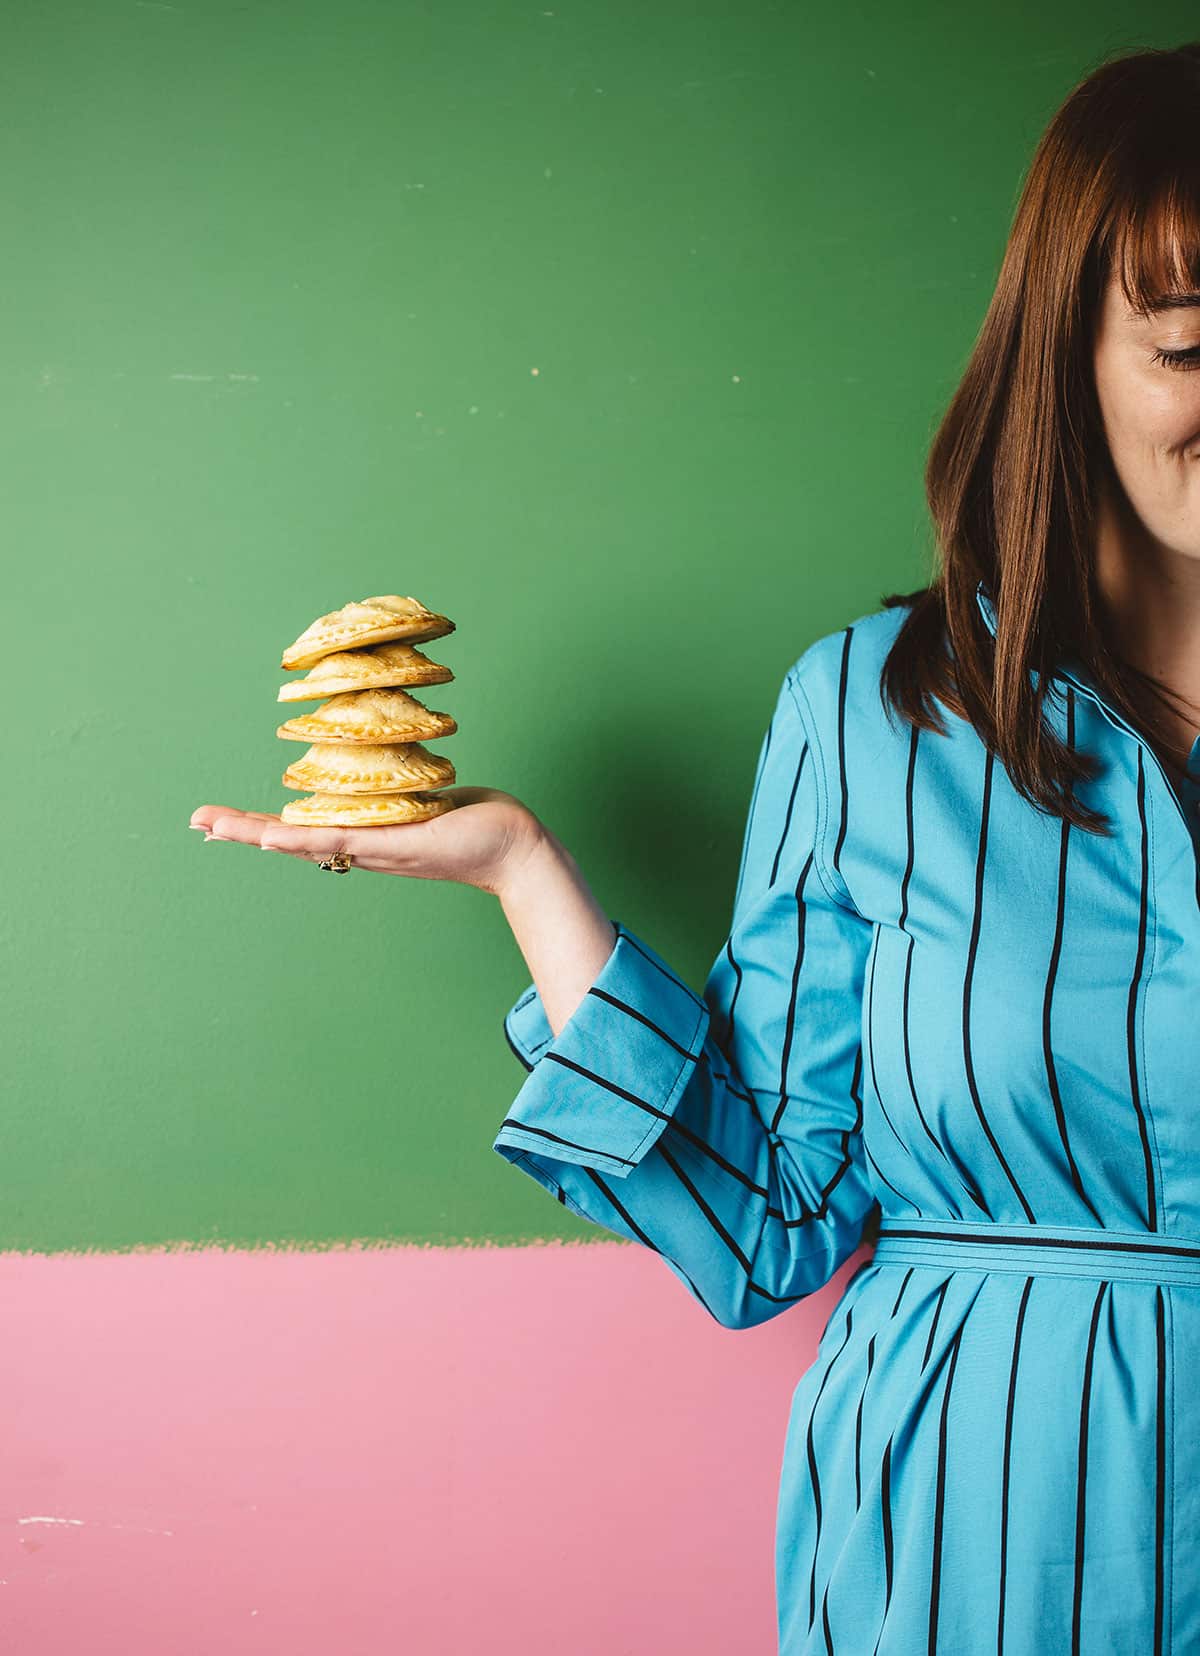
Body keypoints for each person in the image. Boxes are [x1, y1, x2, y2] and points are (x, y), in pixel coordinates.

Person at [190, 39, 1200, 1655]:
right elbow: (765, 1224)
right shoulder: (877, 719)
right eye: (1193, 345)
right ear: (1069, 350)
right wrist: (526, 871)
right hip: (968, 1546)